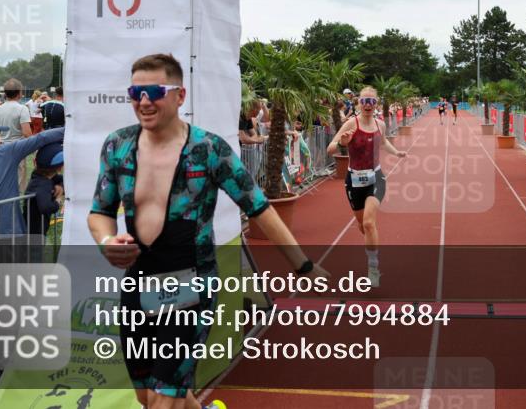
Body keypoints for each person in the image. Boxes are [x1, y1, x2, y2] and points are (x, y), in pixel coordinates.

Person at [88, 53, 327, 409]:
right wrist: (107, 240)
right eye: (134, 92)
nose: (143, 101)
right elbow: (99, 212)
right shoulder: (117, 145)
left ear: (179, 95)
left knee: (161, 399)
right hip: (138, 283)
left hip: (190, 285)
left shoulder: (209, 150)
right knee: (146, 395)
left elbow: (258, 208)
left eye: (154, 90)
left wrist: (304, 266)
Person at [327, 86, 407, 288]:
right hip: (354, 181)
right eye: (364, 101)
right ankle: (371, 244)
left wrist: (396, 153)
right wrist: (342, 143)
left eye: (372, 101)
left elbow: (384, 143)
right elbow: (330, 149)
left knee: (370, 223)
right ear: (358, 103)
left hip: (376, 178)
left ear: (376, 104)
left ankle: (373, 267)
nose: (368, 105)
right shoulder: (349, 124)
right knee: (363, 226)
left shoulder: (380, 124)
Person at [0, 78, 33, 192]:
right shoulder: (22, 108)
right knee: (19, 179)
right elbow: (26, 133)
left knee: (4, 177)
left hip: (0, 147)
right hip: (17, 147)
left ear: (5, 93)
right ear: (20, 93)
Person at [23, 141, 64, 238]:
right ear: (60, 167)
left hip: (34, 230)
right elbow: (46, 207)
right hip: (34, 234)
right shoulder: (43, 184)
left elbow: (64, 181)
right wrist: (58, 200)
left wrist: (60, 187)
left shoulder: (40, 177)